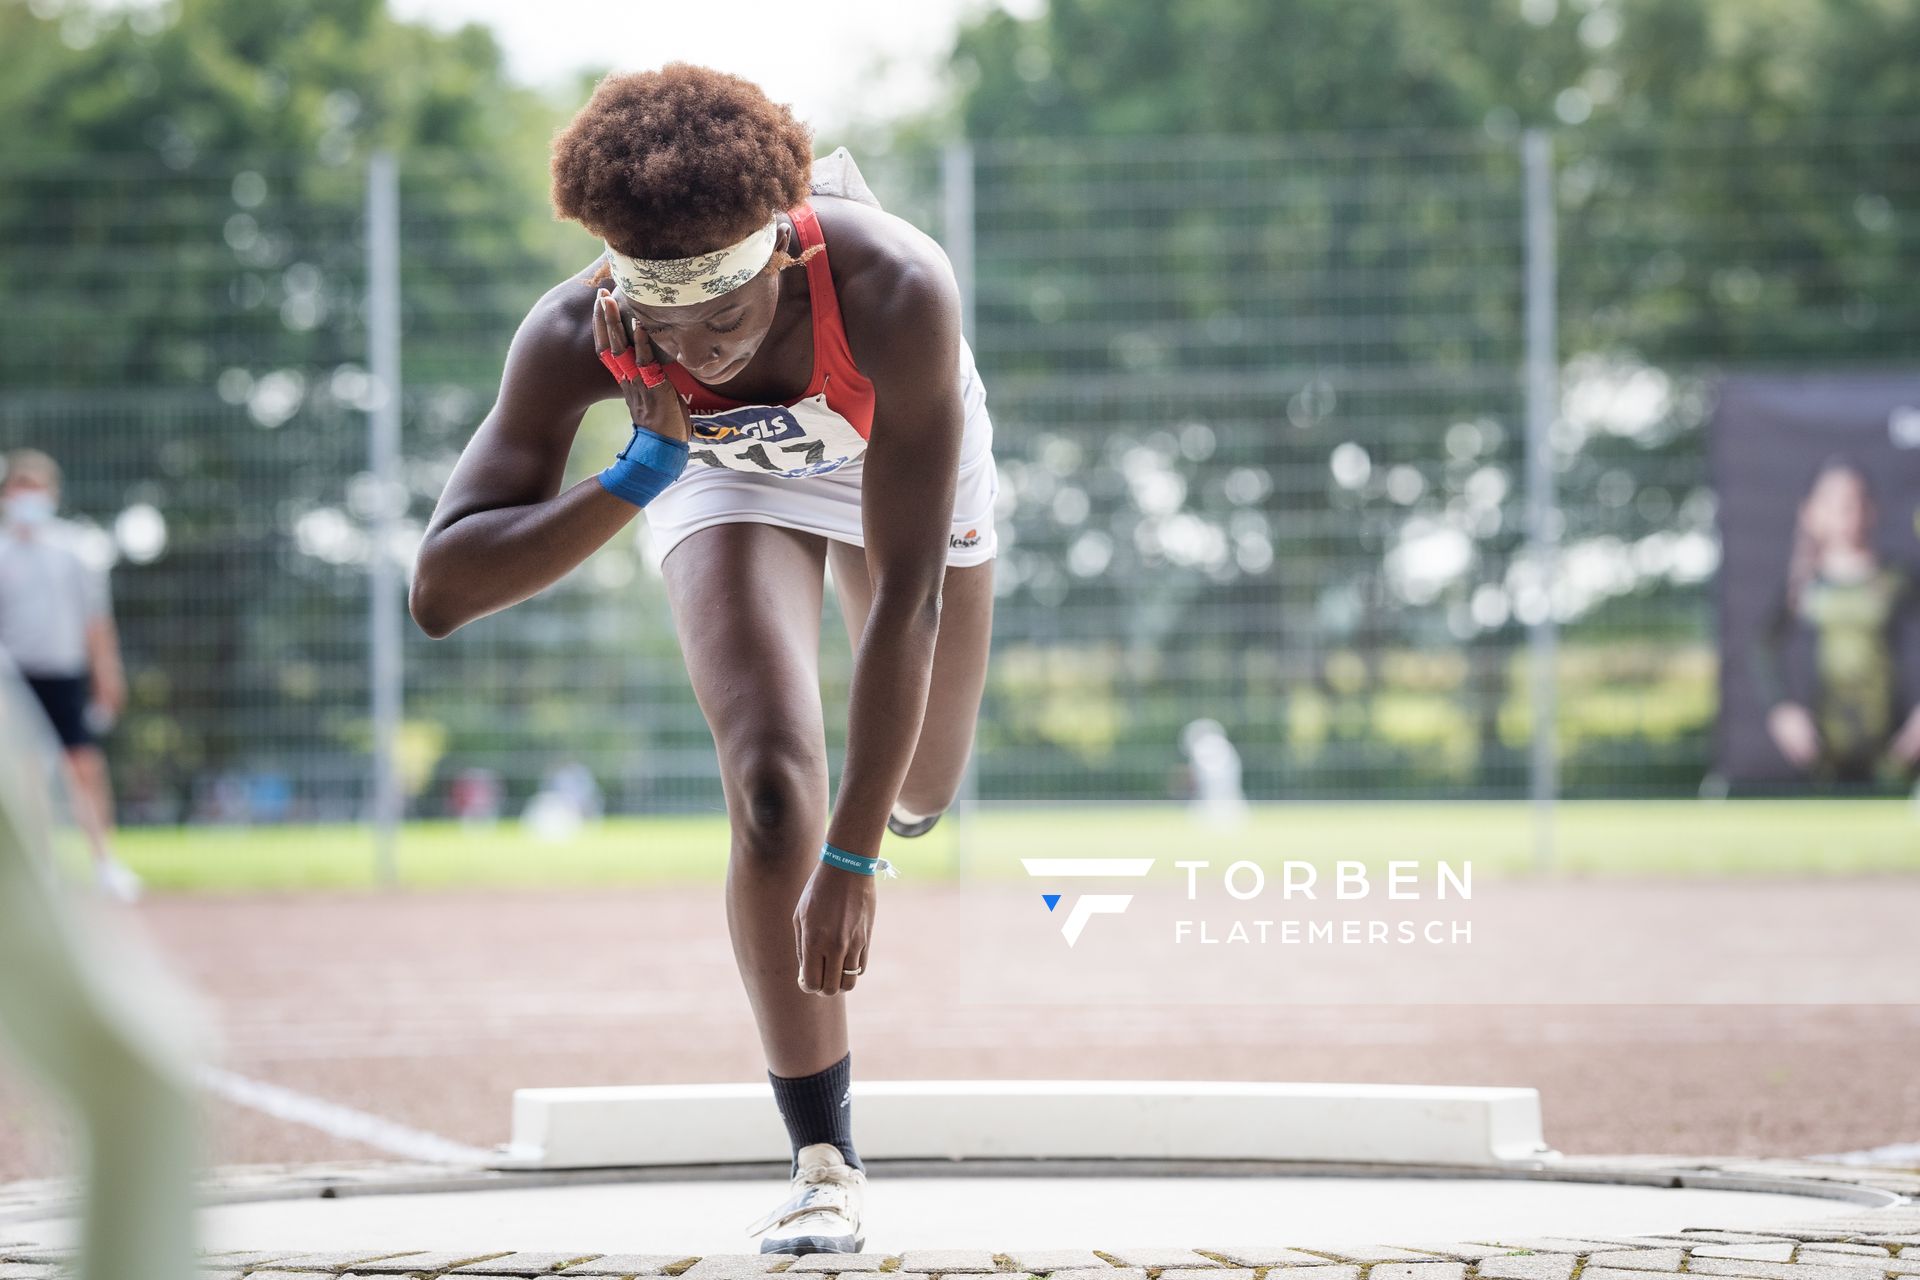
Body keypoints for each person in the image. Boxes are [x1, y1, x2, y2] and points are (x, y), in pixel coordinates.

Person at [409, 65, 999, 1254]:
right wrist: (637, 468)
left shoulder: (894, 284)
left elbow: (910, 604)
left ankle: (888, 799)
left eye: (723, 321)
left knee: (922, 785)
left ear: (779, 254)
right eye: (669, 329)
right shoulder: (582, 329)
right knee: (776, 793)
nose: (704, 352)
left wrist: (858, 850)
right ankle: (822, 1157)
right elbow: (442, 589)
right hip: (707, 471)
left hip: (880, 450)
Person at [0, 449, 142, 902]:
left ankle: (105, 863)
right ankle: (41, 873)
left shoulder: (74, 550)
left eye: (35, 491)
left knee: (83, 766)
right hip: (16, 678)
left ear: (52, 494)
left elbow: (95, 623)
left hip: (64, 673)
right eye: (19, 492)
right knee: (27, 777)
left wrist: (107, 674)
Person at [1753, 456, 1920, 784]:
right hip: (1821, 761)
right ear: (1810, 511)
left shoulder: (1897, 579)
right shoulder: (1802, 585)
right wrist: (1781, 709)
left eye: (1853, 501)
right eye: (1832, 502)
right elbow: (1763, 645)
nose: (1845, 512)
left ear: (1871, 508)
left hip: (1894, 757)